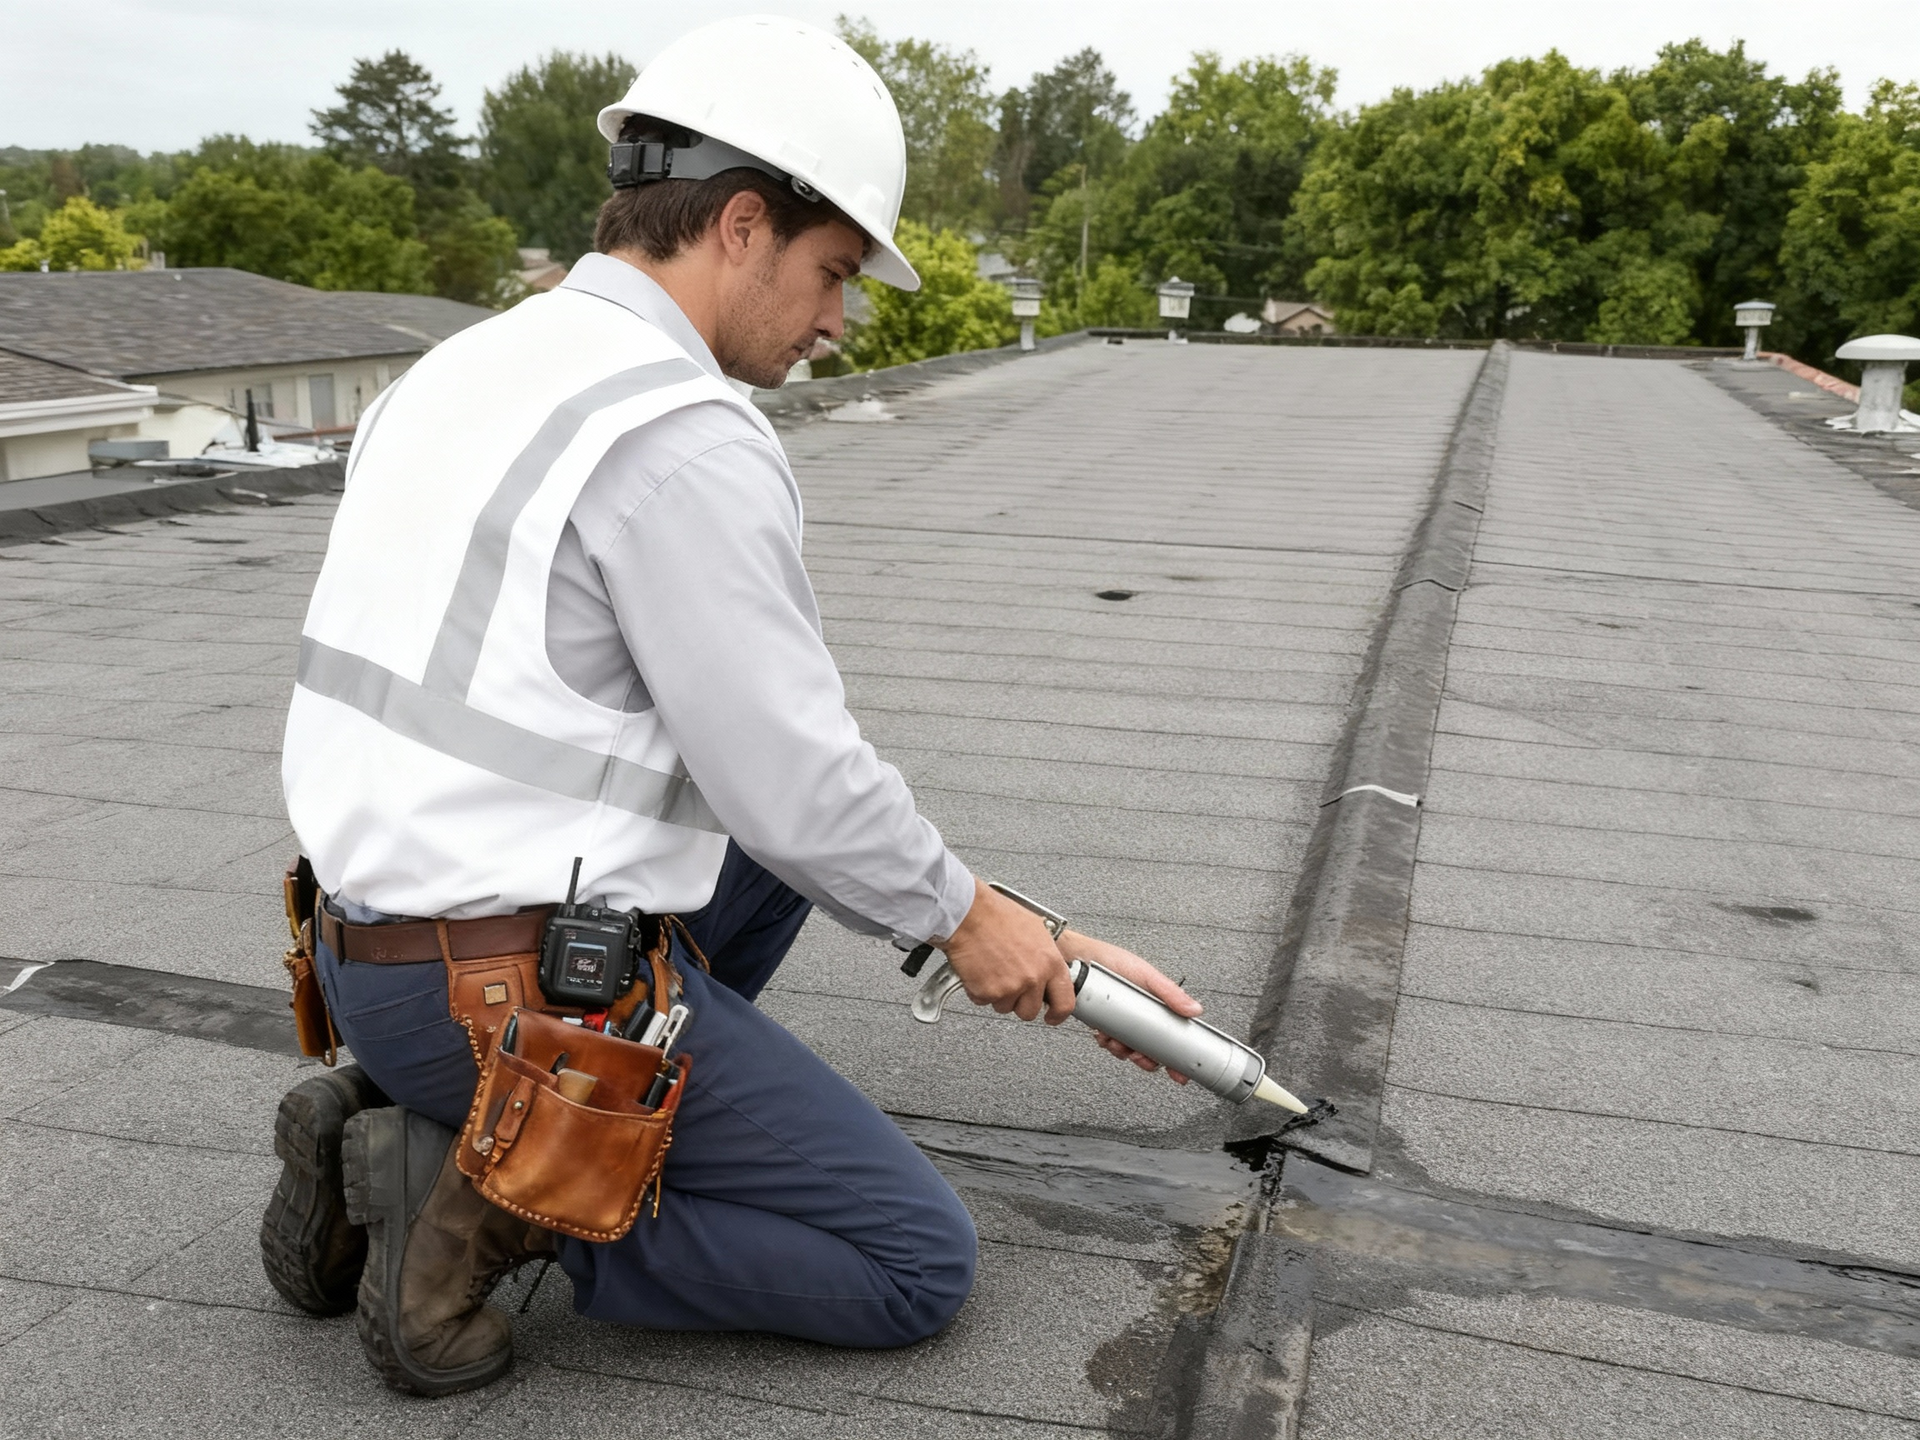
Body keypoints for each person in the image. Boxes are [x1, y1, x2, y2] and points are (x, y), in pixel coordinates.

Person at [263, 14, 1200, 1397]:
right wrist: (974, 921)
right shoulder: (678, 431)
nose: (837, 323)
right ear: (743, 224)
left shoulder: (458, 369)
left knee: (772, 866)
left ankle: (424, 1108)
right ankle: (486, 1189)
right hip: (495, 1002)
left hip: (364, 964)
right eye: (832, 273)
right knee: (910, 1263)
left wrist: (984, 906)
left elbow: (777, 806)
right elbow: (798, 779)